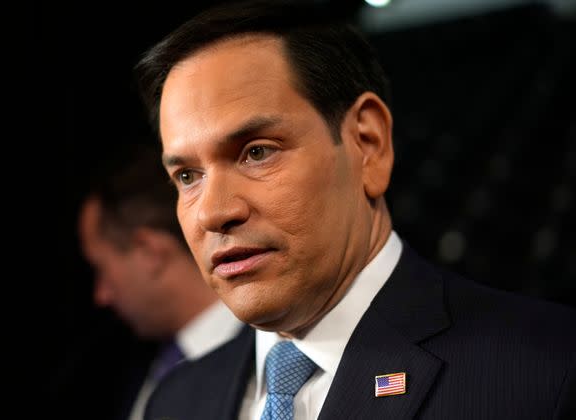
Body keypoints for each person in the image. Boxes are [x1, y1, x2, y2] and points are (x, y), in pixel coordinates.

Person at [133, 1, 576, 419]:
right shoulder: (175, 401)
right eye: (188, 176)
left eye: (257, 152)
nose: (212, 213)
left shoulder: (548, 369)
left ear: (368, 145)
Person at [49, 142, 243, 420]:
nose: (101, 295)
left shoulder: (271, 354)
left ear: (150, 252)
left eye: (101, 269)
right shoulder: (118, 371)